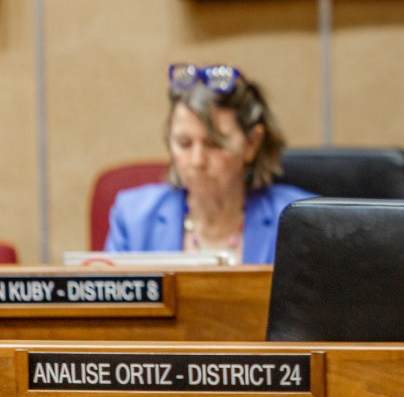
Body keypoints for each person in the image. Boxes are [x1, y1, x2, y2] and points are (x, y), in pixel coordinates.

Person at [104, 63, 315, 263]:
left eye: (214, 144)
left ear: (252, 143)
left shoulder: (300, 221)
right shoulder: (134, 218)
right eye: (184, 143)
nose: (197, 161)